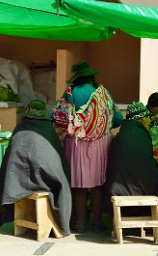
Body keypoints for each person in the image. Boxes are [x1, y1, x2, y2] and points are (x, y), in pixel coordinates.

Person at [51, 61, 123, 233]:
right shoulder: (104, 93)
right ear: (91, 77)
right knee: (98, 184)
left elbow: (58, 118)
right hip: (101, 145)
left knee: (79, 184)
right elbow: (118, 119)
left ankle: (80, 223)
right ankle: (97, 222)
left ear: (76, 78)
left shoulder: (70, 93)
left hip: (76, 144)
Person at [105, 101, 158, 236]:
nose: (149, 121)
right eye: (147, 118)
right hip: (135, 197)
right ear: (140, 119)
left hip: (114, 193)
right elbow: (147, 173)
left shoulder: (122, 135)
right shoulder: (140, 135)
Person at [0, 99, 72, 235]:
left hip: (17, 183)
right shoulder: (49, 130)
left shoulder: (19, 128)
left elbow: (9, 162)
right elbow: (58, 162)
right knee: (64, 182)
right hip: (47, 180)